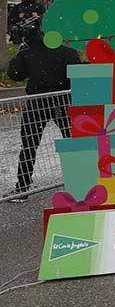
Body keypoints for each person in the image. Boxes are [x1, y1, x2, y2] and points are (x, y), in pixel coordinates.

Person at [6, 21, 81, 196]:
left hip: (37, 101)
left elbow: (15, 74)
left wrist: (20, 54)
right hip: (63, 100)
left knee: (29, 144)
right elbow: (76, 73)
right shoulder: (67, 51)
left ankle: (22, 187)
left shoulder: (29, 51)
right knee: (73, 142)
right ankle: (80, 182)